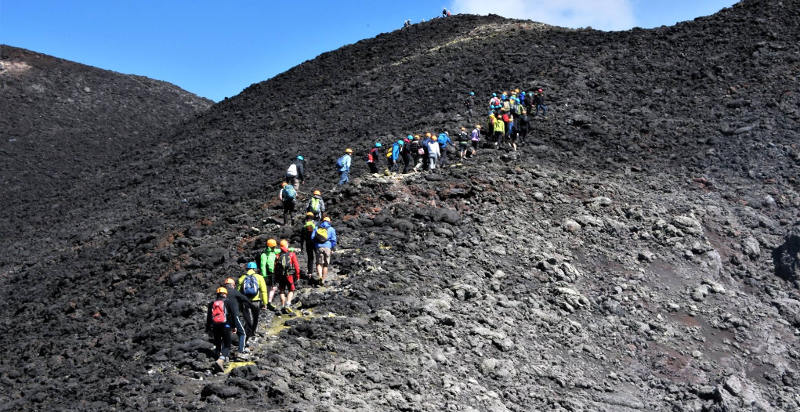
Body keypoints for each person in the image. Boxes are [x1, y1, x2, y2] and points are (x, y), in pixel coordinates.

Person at [206, 286, 236, 372]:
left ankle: (217, 359)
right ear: (224, 294)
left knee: (218, 343)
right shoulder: (228, 302)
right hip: (225, 325)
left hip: (215, 325)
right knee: (227, 344)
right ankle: (221, 360)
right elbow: (233, 315)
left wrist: (208, 329)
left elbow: (209, 317)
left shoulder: (212, 303)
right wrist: (234, 327)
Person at [223, 277, 255, 358]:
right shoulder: (234, 292)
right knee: (242, 333)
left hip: (224, 317)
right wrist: (252, 306)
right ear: (232, 285)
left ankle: (223, 353)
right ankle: (241, 351)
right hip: (234, 316)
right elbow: (244, 299)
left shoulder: (223, 294)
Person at [238, 262, 268, 344]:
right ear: (255, 269)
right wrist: (265, 303)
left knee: (247, 319)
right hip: (256, 302)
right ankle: (252, 333)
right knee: (255, 318)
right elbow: (264, 291)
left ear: (247, 269)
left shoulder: (242, 278)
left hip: (245, 302)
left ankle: (245, 335)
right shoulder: (259, 277)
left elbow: (238, 292)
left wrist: (239, 303)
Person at [274, 239, 301, 313]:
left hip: (280, 276)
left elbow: (275, 267)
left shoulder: (278, 255)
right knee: (291, 290)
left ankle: (283, 306)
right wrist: (297, 275)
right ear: (286, 245)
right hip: (289, 276)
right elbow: (296, 266)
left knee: (282, 290)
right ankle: (288, 304)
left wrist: (276, 277)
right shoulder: (291, 254)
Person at [313, 216, 337, 285]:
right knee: (325, 265)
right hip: (327, 247)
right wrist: (332, 248)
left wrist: (316, 244)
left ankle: (320, 276)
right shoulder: (331, 229)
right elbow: (334, 240)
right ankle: (323, 279)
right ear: (329, 222)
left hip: (319, 247)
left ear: (322, 221)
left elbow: (312, 237)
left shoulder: (317, 228)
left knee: (318, 263)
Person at [259, 238, 280, 309]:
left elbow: (281, 250)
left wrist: (292, 249)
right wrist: (264, 276)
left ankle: (268, 302)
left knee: (273, 288)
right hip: (268, 274)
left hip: (273, 273)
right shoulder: (264, 254)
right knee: (268, 288)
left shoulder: (273, 251)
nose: (275, 247)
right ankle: (265, 303)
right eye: (274, 246)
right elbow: (263, 266)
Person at [299, 212, 316, 276]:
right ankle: (319, 270)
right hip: (315, 243)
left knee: (310, 258)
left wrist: (301, 247)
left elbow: (302, 238)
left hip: (308, 244)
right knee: (317, 256)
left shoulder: (304, 227)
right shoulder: (314, 226)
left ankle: (310, 272)